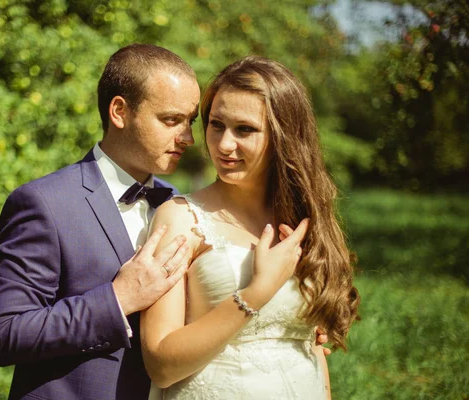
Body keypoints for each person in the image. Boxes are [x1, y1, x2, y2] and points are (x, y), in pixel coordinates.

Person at [0, 43, 200, 400]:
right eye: (171, 120)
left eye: (190, 122)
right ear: (119, 111)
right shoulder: (44, 203)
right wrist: (117, 299)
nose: (188, 137)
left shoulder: (180, 207)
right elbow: (5, 334)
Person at [140, 56, 360, 399]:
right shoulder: (181, 218)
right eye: (216, 125)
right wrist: (256, 293)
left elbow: (312, 347)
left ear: (284, 136)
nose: (224, 144)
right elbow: (161, 365)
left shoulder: (307, 219)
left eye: (245, 129)